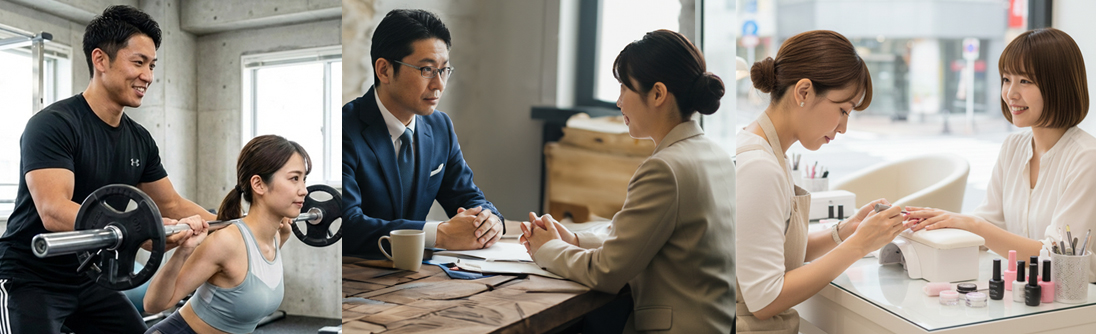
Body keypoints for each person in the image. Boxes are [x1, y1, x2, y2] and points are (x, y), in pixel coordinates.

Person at [0, 5, 214, 333]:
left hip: (89, 275)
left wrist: (244, 228)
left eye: (152, 65)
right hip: (29, 278)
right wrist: (136, 228)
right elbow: (54, 212)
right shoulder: (53, 125)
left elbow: (171, 204)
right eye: (138, 62)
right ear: (101, 60)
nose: (148, 76)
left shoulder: (139, 140)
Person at [521, 29, 735, 334]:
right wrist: (576, 240)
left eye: (625, 89)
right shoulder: (716, 155)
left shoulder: (665, 168)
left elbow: (604, 273)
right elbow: (643, 235)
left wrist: (547, 249)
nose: (619, 102)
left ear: (658, 94)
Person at [735, 30, 910, 333]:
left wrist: (845, 231)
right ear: (803, 92)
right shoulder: (760, 168)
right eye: (843, 110)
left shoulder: (768, 151)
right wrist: (858, 245)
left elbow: (768, 251)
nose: (843, 127)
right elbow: (765, 299)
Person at [905, 28, 1096, 282]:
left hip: (1072, 306)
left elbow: (1058, 257)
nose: (1010, 93)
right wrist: (940, 221)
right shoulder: (1013, 147)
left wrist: (973, 225)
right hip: (1021, 294)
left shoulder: (1086, 158)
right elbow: (990, 221)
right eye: (1007, 79)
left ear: (1058, 84)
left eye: (1025, 81)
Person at [343, 9, 504, 259]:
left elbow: (467, 195)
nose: (439, 84)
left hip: (417, 277)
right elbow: (349, 224)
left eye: (445, 70)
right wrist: (439, 235)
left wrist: (489, 220)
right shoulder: (347, 128)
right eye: (427, 70)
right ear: (384, 70)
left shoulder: (440, 127)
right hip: (358, 277)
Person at [144, 135, 308, 334]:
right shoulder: (227, 241)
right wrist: (185, 250)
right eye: (294, 179)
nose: (304, 190)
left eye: (304, 179)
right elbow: (153, 305)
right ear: (258, 184)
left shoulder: (277, 236)